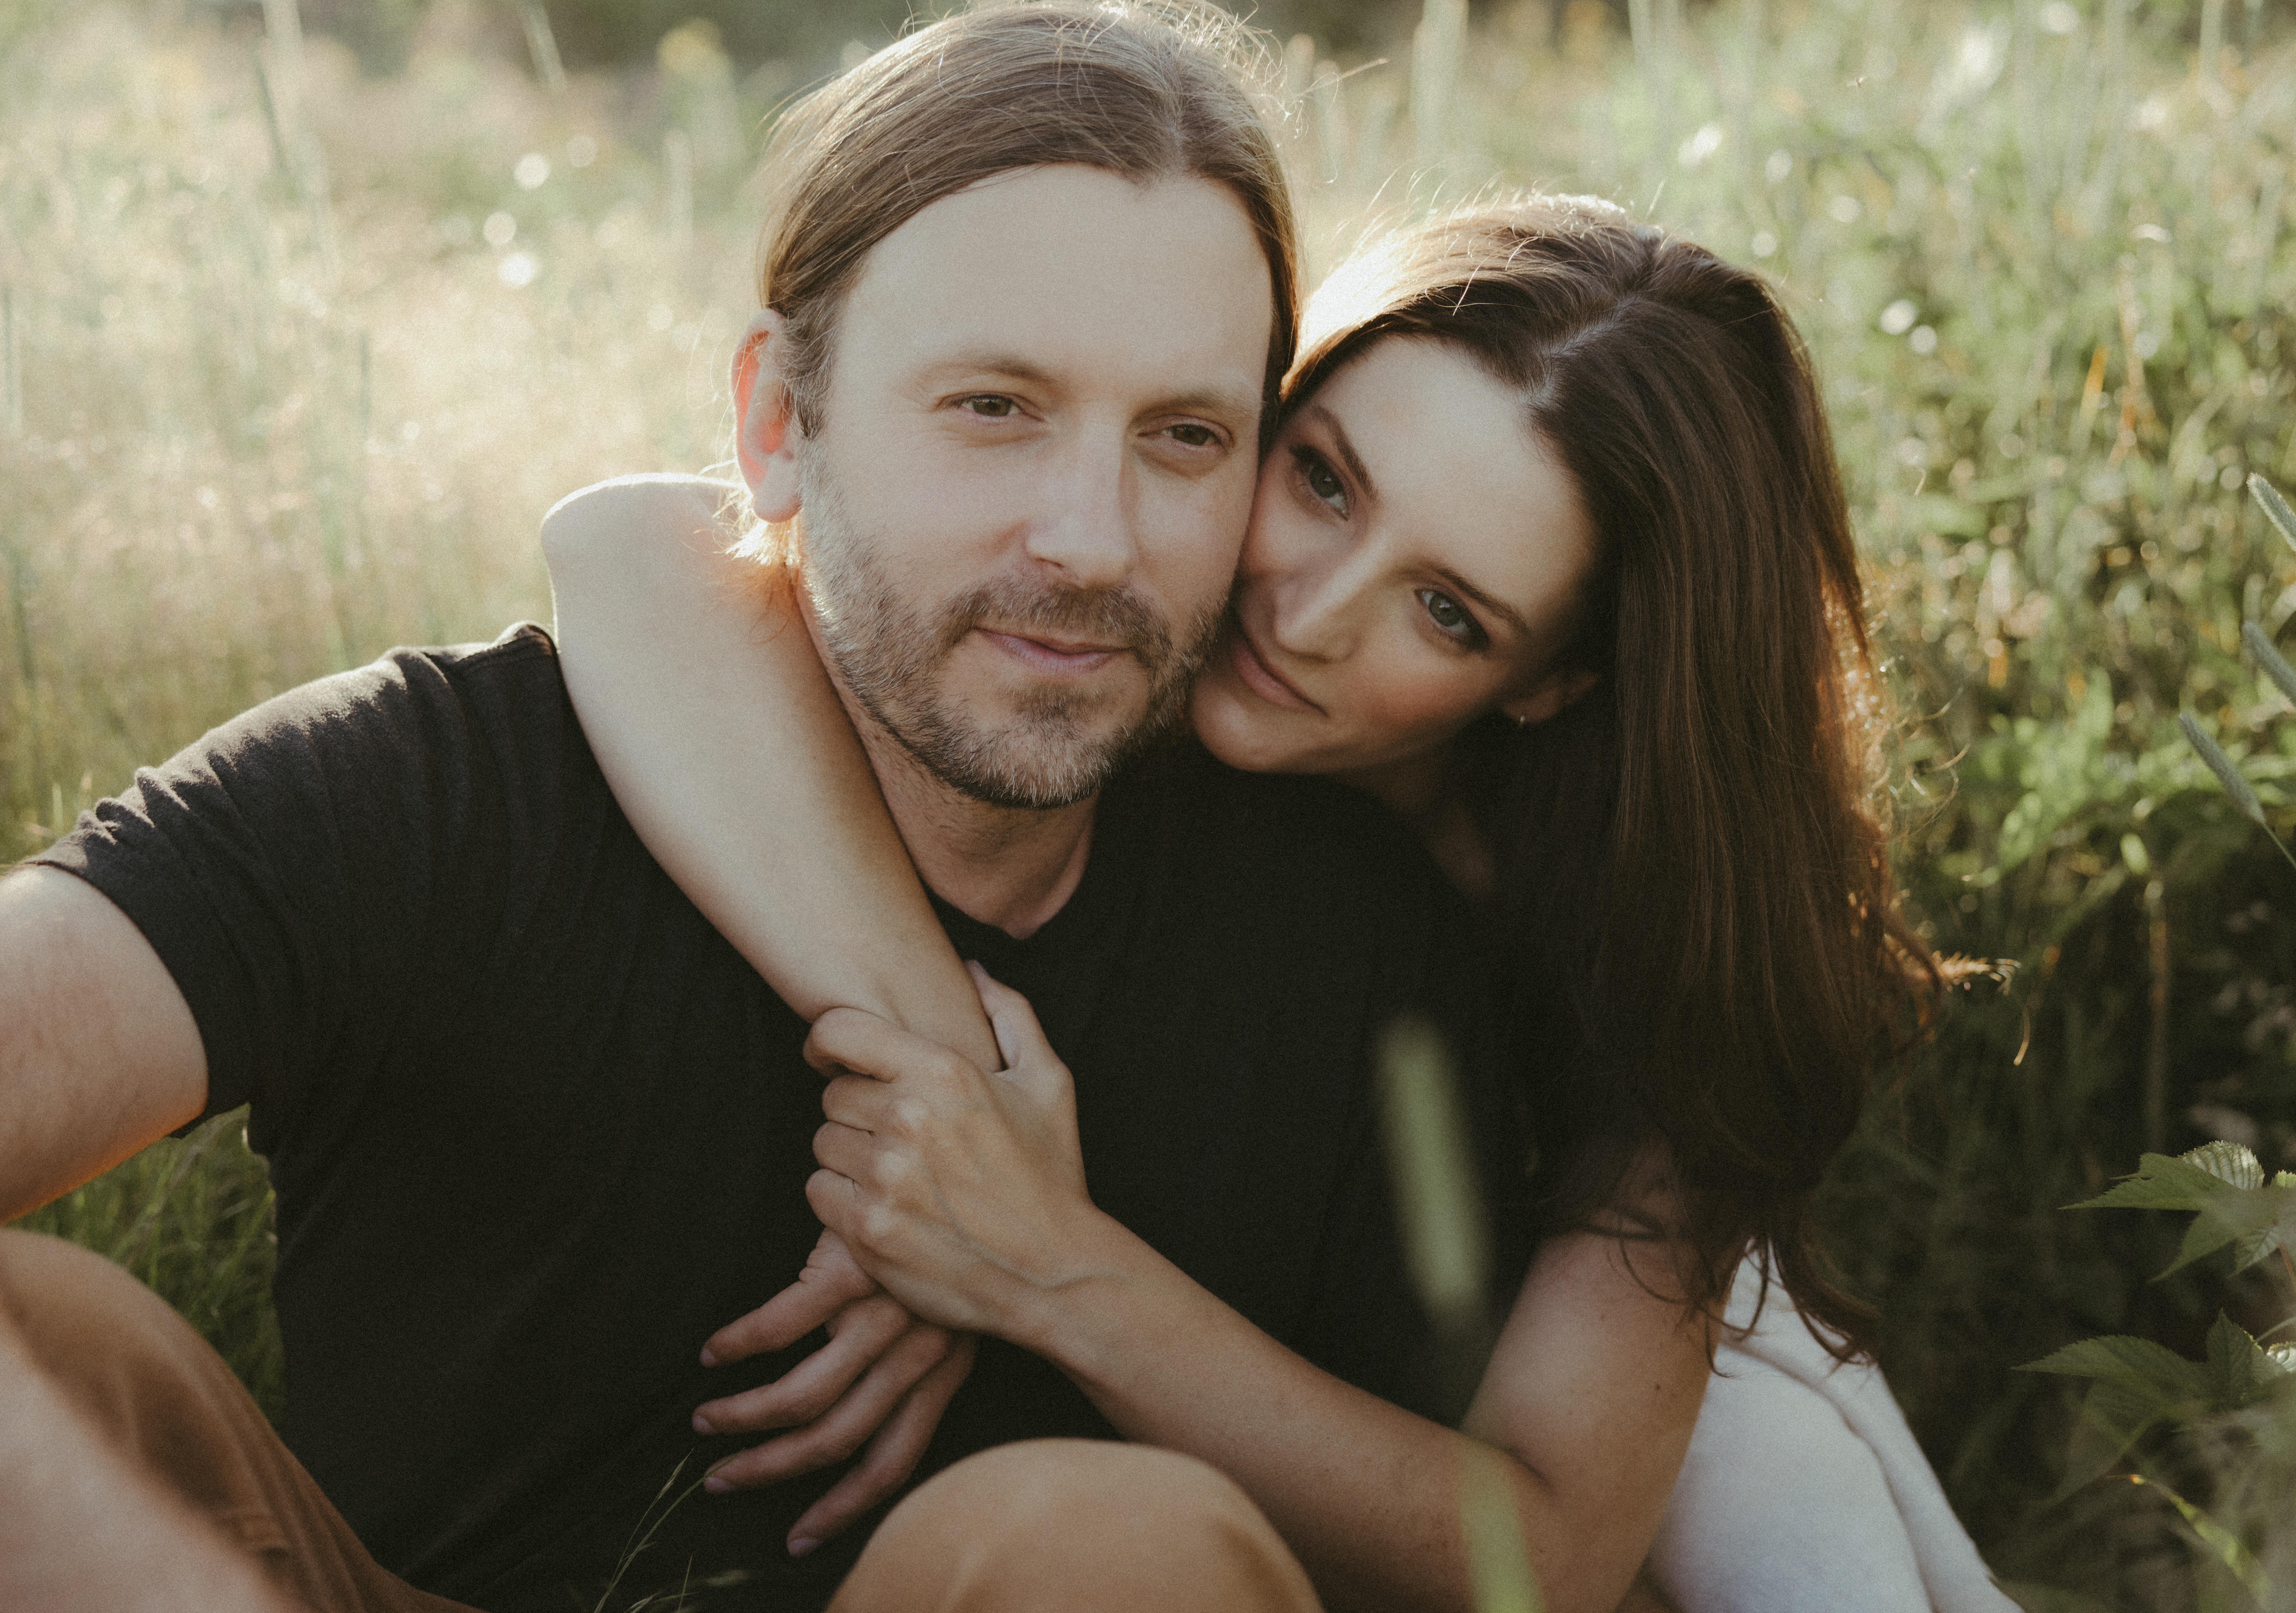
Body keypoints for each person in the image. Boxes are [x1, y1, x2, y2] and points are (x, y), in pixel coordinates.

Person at [0, 6, 1561, 1612]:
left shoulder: (1341, 944)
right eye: (994, 408)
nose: (1092, 540)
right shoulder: (436, 790)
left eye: (1186, 435)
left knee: (1109, 1545)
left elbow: (1511, 1564)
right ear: (776, 419)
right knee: (52, 1341)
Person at [541, 196, 2022, 1612]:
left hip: (1622, 1379)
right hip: (1276, 1415)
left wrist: (1044, 1263)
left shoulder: (1633, 940)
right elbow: (626, 547)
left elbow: (1548, 1554)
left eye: (1447, 612)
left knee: (1793, 1513)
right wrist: (955, 1070)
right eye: (1320, 479)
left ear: (1557, 682)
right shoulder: (1093, 611)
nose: (1303, 614)